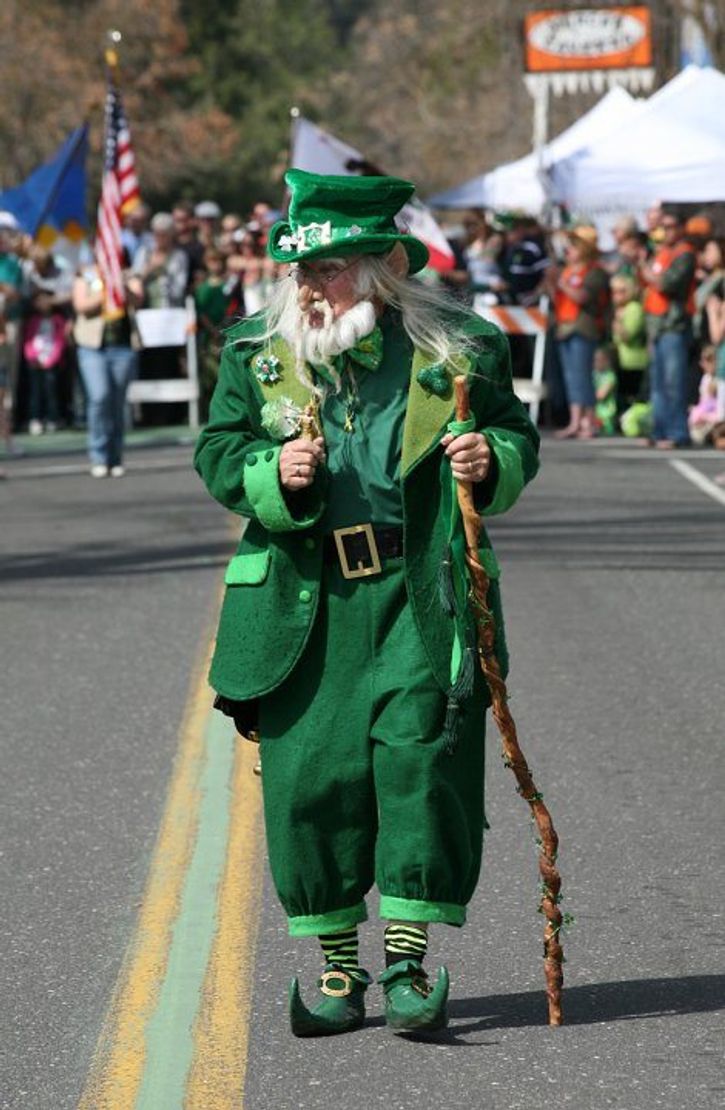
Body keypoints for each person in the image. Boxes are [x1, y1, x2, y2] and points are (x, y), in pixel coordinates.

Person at [194, 169, 539, 1038]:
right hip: (306, 605)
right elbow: (218, 449)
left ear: (384, 266)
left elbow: (513, 435)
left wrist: (486, 457)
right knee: (315, 779)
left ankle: (410, 965)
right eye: (301, 271)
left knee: (420, 766)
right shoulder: (256, 354)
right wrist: (270, 475)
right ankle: (339, 976)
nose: (311, 287)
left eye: (330, 269)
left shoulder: (459, 349)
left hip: (419, 591)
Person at [72, 260, 137, 477]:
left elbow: (138, 299)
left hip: (122, 347)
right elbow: (80, 305)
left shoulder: (127, 275)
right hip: (92, 347)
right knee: (100, 397)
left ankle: (115, 456)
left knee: (117, 402)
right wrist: (105, 293)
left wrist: (121, 287)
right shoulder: (86, 276)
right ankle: (99, 455)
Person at [642, 211, 696, 449]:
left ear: (681, 228)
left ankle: (677, 433)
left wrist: (646, 269)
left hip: (674, 325)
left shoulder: (685, 254)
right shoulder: (661, 253)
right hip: (657, 326)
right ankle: (659, 430)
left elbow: (666, 283)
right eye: (664, 227)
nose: (667, 231)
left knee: (674, 383)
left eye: (672, 226)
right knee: (658, 384)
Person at [550, 226, 610, 439]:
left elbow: (582, 297)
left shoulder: (595, 271)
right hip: (564, 327)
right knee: (570, 377)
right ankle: (575, 421)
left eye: (575, 246)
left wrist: (562, 284)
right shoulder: (567, 270)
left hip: (583, 328)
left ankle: (589, 422)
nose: (569, 250)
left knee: (583, 375)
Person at [23, 289, 67, 434]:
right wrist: (32, 358)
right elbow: (28, 341)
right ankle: (35, 418)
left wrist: (51, 360)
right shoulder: (33, 321)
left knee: (52, 392)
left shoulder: (58, 320)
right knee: (35, 392)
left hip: (51, 363)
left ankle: (53, 418)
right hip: (35, 363)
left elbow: (60, 342)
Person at [610, 273, 648, 409]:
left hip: (633, 362)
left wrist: (619, 320)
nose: (617, 295)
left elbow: (627, 336)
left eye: (622, 291)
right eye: (615, 292)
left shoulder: (634, 308)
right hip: (621, 360)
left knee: (631, 399)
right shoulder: (618, 309)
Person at [687, 345, 720, 445]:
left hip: (715, 416)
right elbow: (703, 402)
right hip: (704, 415)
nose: (703, 364)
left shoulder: (719, 381)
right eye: (702, 360)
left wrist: (705, 416)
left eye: (708, 361)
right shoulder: (705, 378)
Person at [592, 346, 618, 436]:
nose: (596, 363)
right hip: (593, 413)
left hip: (605, 415)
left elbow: (601, 395)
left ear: (607, 361)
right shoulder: (593, 374)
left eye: (600, 360)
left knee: (587, 423)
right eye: (595, 360)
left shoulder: (610, 376)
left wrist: (585, 397)